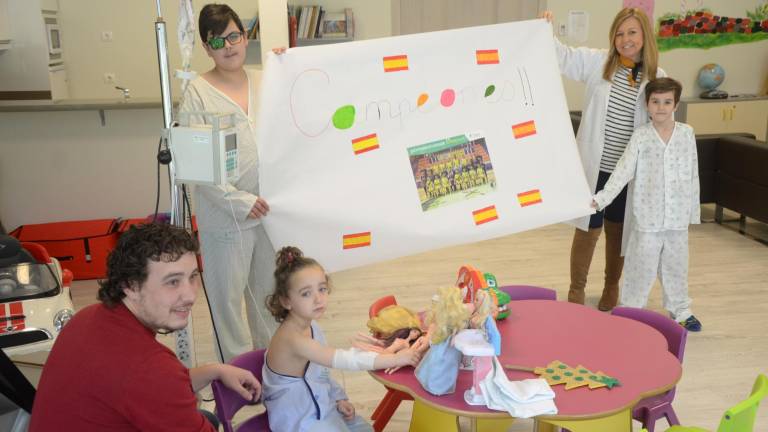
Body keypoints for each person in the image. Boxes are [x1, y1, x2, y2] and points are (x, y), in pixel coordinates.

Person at [30, 223, 261, 431]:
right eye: (172, 282)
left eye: (192, 276)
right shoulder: (148, 368)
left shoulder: (88, 317)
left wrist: (215, 370)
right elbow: (153, 382)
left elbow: (149, 387)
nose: (190, 295)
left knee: (204, 417)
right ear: (131, 285)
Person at [179, 3, 282, 361]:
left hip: (269, 210)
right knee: (227, 303)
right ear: (206, 48)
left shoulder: (265, 78)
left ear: (246, 35)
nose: (229, 46)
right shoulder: (197, 92)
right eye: (217, 40)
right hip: (225, 217)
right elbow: (197, 164)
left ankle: (273, 370)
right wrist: (237, 200)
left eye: (234, 35)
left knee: (269, 296)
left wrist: (290, 68)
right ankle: (237, 378)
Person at [543, 8, 665, 311]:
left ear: (644, 36)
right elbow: (563, 56)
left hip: (628, 173)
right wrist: (546, 29)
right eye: (620, 33)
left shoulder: (657, 77)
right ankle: (576, 290)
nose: (625, 39)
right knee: (587, 229)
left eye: (632, 32)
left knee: (618, 231)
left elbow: (663, 122)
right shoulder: (598, 63)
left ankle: (611, 286)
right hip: (596, 167)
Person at [261, 246, 427, 432]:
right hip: (297, 418)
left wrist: (338, 397)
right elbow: (345, 359)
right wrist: (396, 358)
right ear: (285, 301)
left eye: (322, 289)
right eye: (306, 293)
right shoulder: (292, 339)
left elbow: (318, 372)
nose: (318, 299)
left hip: (318, 404)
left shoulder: (311, 326)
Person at [592, 77, 702, 331]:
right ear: (647, 104)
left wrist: (692, 212)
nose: (661, 107)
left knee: (676, 266)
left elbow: (693, 172)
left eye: (667, 102)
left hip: (676, 218)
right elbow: (622, 171)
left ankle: (681, 310)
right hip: (648, 217)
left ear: (675, 104)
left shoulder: (686, 134)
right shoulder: (641, 137)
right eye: (655, 102)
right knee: (640, 266)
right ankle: (631, 310)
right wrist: (602, 198)